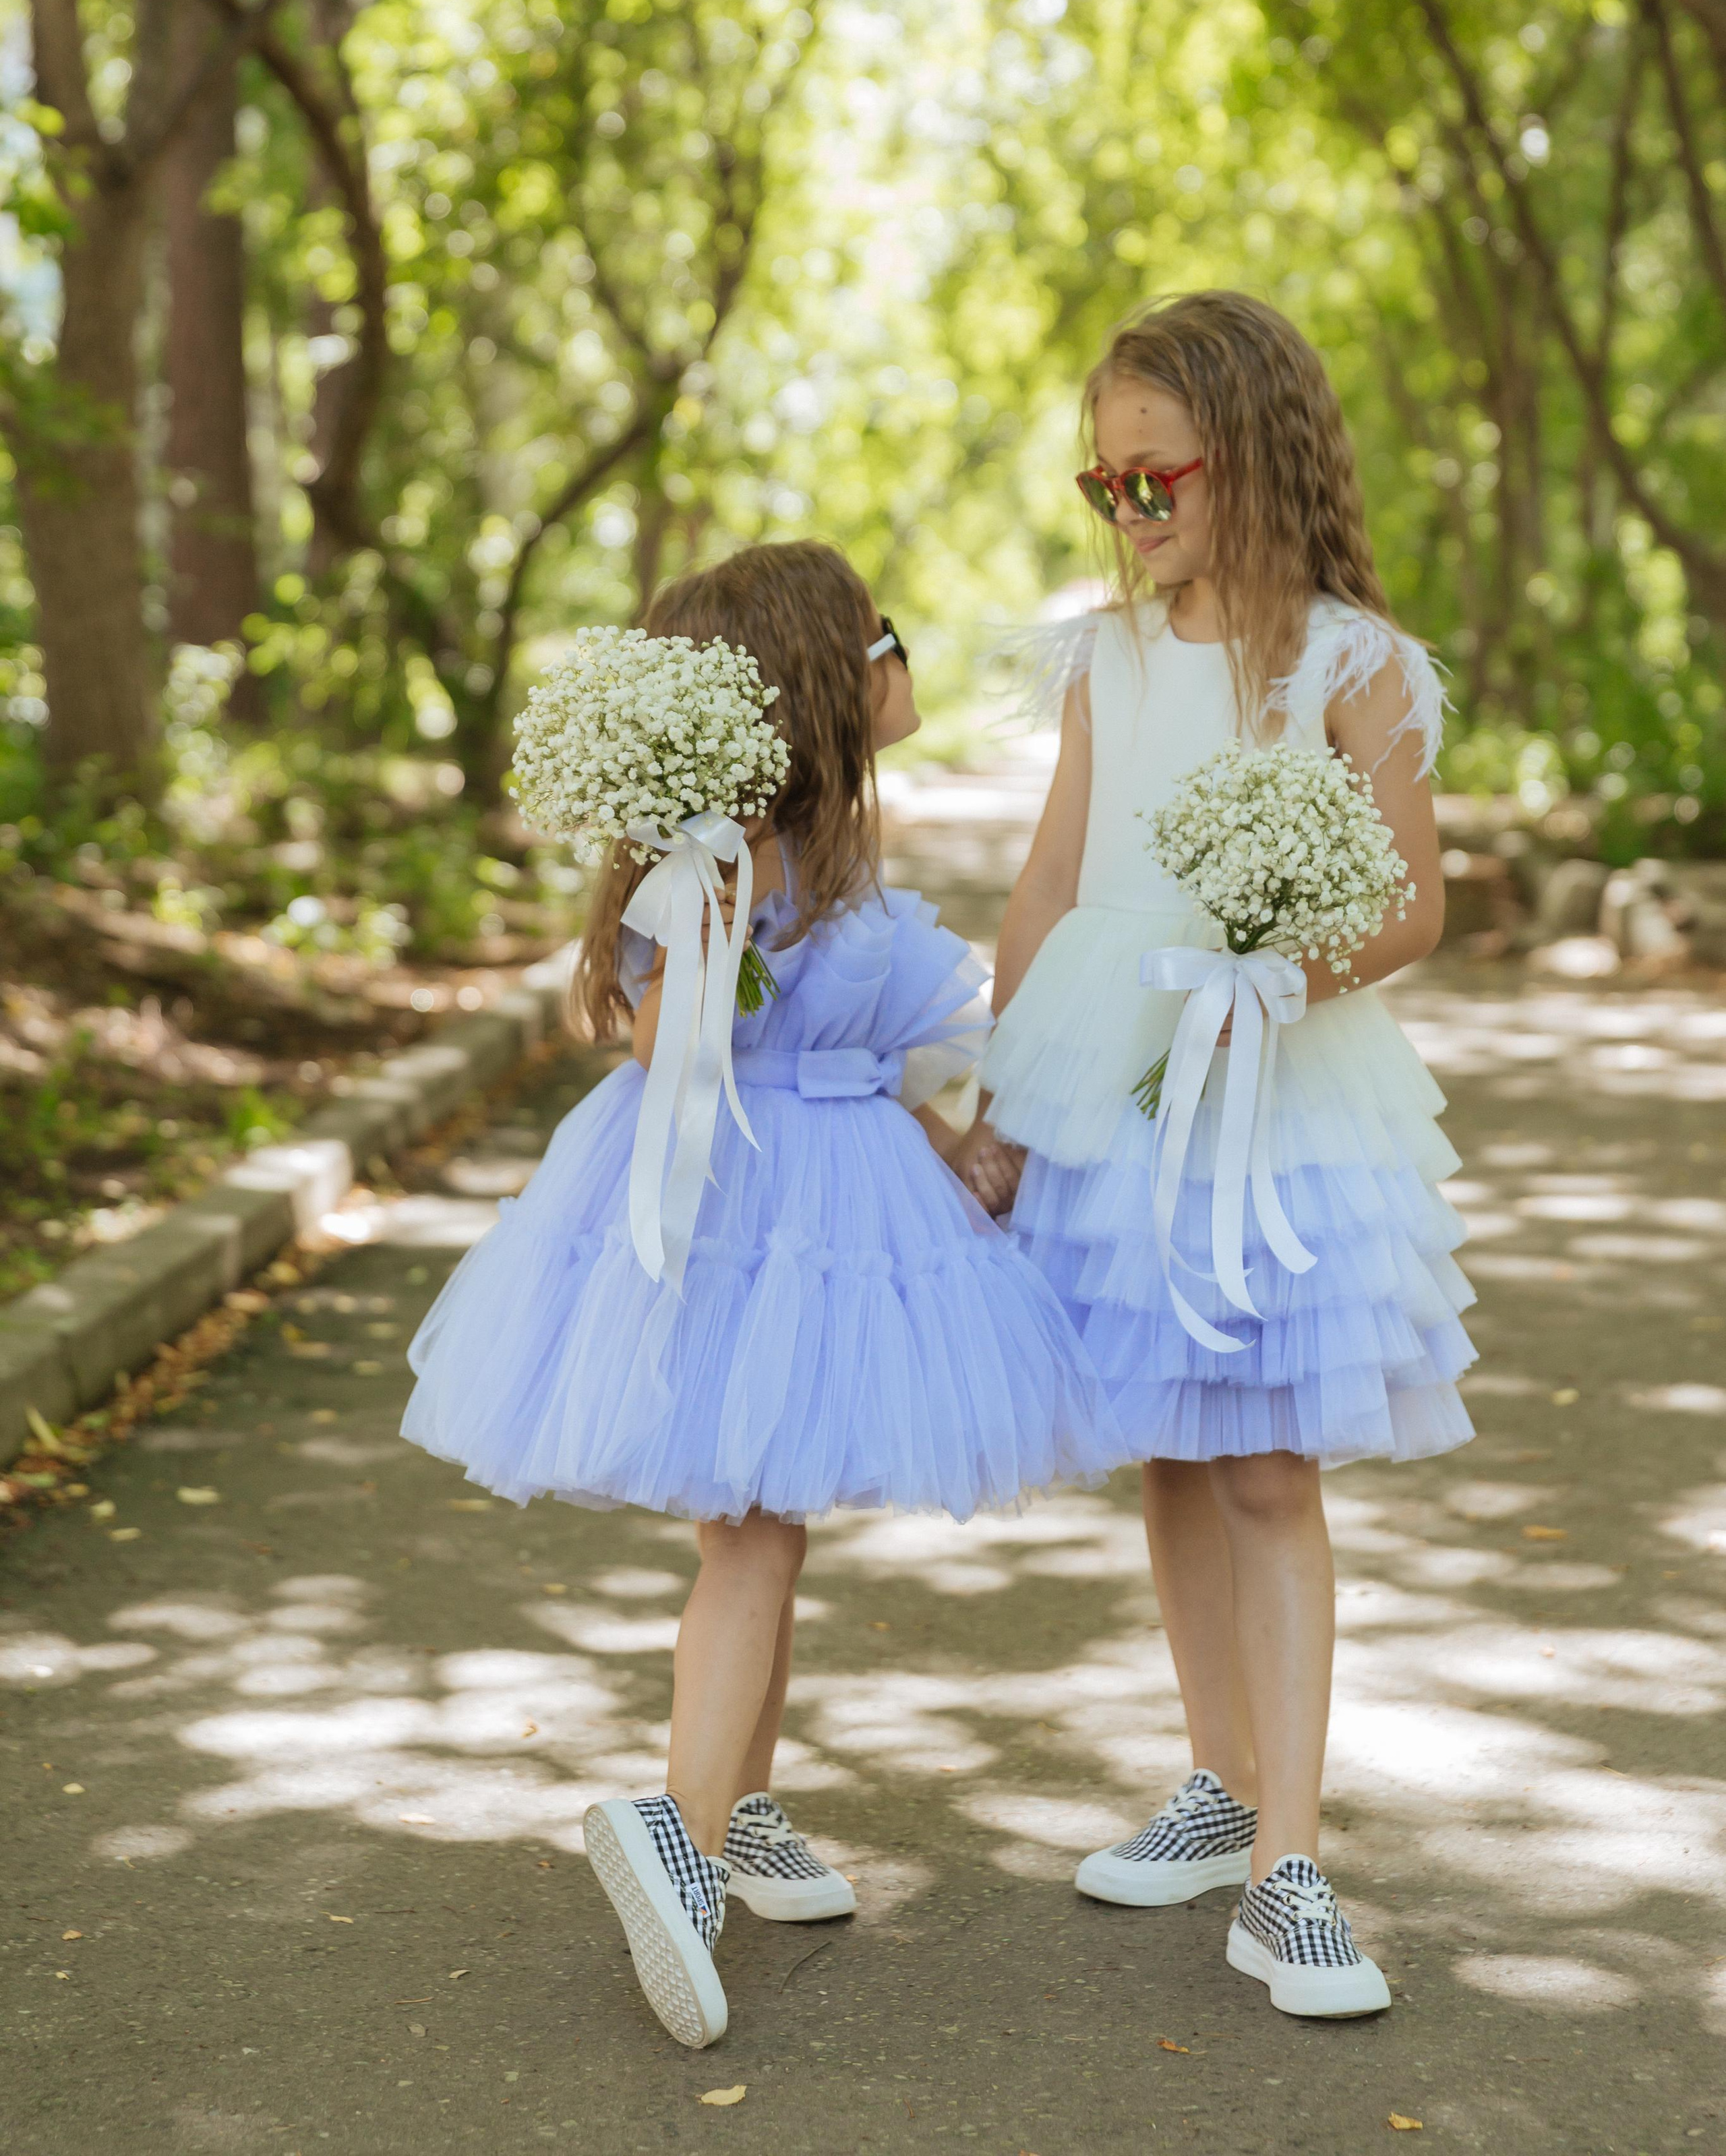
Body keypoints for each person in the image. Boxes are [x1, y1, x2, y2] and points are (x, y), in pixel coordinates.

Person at [401, 539, 1122, 2051]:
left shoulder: (836, 849)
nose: (904, 657)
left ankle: (732, 1805)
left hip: (835, 1187)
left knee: (770, 1519)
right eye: (888, 635)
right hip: (742, 1204)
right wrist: (694, 881)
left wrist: (956, 1153)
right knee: (749, 1532)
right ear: (828, 680)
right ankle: (677, 1823)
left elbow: (865, 1050)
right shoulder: (721, 857)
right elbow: (675, 1036)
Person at [956, 292, 1476, 2020]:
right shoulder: (1105, 662)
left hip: (1276, 1092)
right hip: (1107, 1085)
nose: (1128, 512)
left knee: (1264, 1466)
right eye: (1100, 486)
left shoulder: (1350, 664)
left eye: (1152, 475)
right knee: (1168, 1452)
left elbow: (1411, 899)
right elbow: (1049, 881)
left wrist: (1275, 972)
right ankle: (1214, 1778)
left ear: (1245, 453)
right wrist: (996, 1098)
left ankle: (1291, 1866)